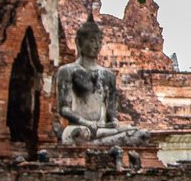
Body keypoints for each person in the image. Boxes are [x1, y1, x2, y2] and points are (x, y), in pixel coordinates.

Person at [54, 15, 148, 146]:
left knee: (140, 134)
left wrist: (113, 121)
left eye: (99, 41)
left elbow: (111, 112)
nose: (96, 45)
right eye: (92, 40)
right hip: (80, 128)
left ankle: (99, 145)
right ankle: (104, 145)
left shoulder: (108, 75)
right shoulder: (67, 71)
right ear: (79, 42)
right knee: (79, 134)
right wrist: (85, 122)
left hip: (103, 130)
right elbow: (64, 108)